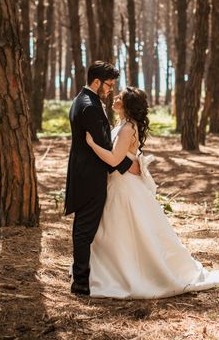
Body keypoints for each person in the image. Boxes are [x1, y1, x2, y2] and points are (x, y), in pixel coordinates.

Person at [85, 87, 219, 299]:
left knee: (128, 232)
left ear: (127, 104)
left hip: (125, 189)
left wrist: (91, 144)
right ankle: (112, 272)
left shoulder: (127, 129)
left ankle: (131, 276)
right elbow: (128, 157)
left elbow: (114, 160)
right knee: (113, 233)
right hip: (119, 183)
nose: (115, 98)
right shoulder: (122, 124)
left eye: (120, 97)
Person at [65, 61, 136, 296]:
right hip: (90, 177)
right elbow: (104, 146)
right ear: (97, 82)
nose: (111, 90)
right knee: (84, 231)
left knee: (83, 229)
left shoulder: (83, 100)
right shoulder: (90, 106)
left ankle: (83, 277)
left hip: (85, 173)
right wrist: (131, 164)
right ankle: (81, 283)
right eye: (109, 84)